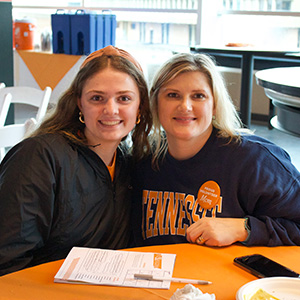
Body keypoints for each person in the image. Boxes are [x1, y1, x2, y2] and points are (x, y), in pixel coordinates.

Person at [0, 46, 152, 276]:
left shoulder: (130, 162)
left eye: (124, 98)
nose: (111, 110)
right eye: (97, 98)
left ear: (139, 106)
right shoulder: (40, 157)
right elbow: (8, 262)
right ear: (79, 103)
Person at [131, 52, 300, 248]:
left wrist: (244, 228)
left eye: (198, 96)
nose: (185, 106)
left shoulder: (255, 161)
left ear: (214, 105)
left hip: (228, 276)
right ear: (156, 102)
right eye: (172, 95)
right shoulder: (141, 158)